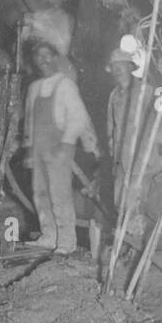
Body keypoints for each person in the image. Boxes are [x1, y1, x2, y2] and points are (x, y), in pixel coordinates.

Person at [21, 41, 100, 255]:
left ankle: (66, 241)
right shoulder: (34, 88)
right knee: (40, 193)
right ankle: (49, 235)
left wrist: (66, 143)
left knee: (59, 194)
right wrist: (28, 147)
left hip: (59, 147)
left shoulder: (65, 84)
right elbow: (29, 120)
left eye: (48, 55)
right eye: (39, 56)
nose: (43, 60)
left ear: (56, 58)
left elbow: (78, 117)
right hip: (38, 148)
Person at [106, 45, 162, 243]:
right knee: (120, 202)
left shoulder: (147, 91)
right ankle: (127, 243)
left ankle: (136, 244)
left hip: (142, 159)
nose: (117, 69)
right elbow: (111, 128)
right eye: (114, 65)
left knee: (135, 202)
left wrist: (157, 139)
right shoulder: (114, 96)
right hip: (122, 160)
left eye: (121, 64)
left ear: (131, 66)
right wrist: (112, 151)